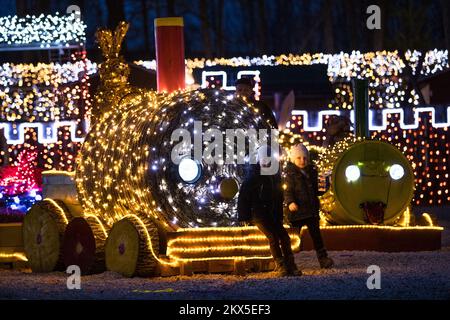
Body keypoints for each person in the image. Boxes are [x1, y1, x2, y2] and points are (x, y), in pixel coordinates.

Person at [237, 145, 301, 276]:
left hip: (272, 214)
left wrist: (279, 215)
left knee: (284, 236)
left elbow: (278, 197)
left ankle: (291, 264)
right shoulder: (253, 177)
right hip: (259, 215)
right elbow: (244, 197)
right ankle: (280, 264)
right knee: (273, 236)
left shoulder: (274, 177)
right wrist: (244, 216)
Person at [284, 143, 334, 269]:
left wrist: (325, 184)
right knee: (293, 237)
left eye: (305, 158)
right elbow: (287, 191)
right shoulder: (290, 174)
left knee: (316, 236)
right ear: (293, 159)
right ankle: (287, 260)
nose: (302, 161)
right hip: (297, 212)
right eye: (299, 158)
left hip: (311, 211)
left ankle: (323, 258)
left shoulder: (312, 172)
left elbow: (317, 191)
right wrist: (290, 202)